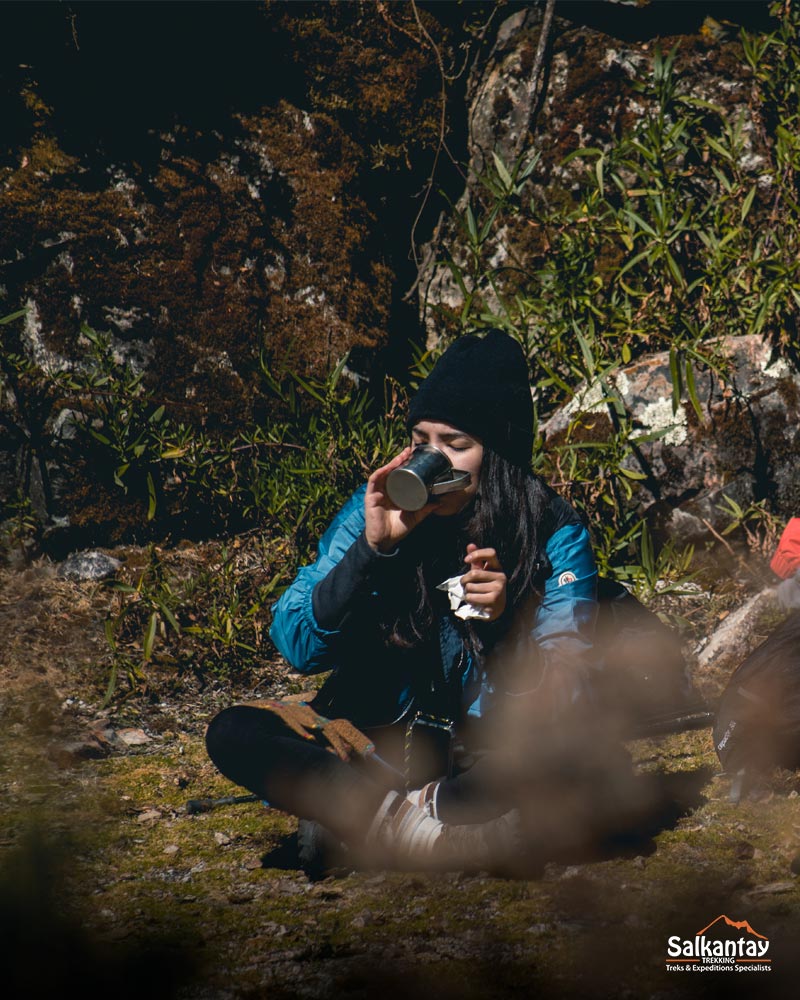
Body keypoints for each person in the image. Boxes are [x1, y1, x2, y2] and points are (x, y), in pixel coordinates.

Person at [206, 330, 611, 874]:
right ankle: (420, 833)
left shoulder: (552, 532)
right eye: (422, 440)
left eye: (456, 444)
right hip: (373, 746)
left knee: (575, 759)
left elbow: (570, 691)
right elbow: (297, 643)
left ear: (501, 452)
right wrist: (371, 552)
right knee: (233, 731)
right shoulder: (374, 507)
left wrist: (506, 627)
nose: (433, 459)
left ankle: (374, 819)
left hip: (476, 758)